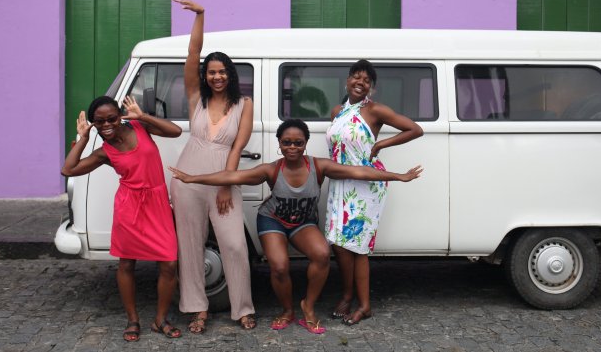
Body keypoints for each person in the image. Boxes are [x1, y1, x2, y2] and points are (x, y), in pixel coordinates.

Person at [169, 119, 423, 334]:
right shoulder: (271, 170)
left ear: (305, 144)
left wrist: (398, 176)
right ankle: (287, 310)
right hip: (273, 220)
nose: (292, 147)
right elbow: (232, 176)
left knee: (322, 253)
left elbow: (358, 172)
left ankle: (307, 306)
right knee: (279, 266)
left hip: (303, 223)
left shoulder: (319, 166)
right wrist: (192, 178)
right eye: (287, 142)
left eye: (298, 143)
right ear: (279, 144)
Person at [61, 96, 183, 341]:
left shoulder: (140, 126)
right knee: (126, 263)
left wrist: (143, 115)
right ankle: (132, 320)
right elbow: (68, 169)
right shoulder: (104, 152)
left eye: (111, 119)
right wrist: (84, 138)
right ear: (94, 124)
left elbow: (176, 131)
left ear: (120, 116)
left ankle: (160, 320)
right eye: (99, 122)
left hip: (157, 203)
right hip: (129, 206)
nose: (106, 124)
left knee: (169, 263)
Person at [169, 0, 256, 332]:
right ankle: (197, 308)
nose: (217, 76)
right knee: (190, 245)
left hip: (223, 178)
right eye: (211, 72)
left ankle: (242, 308)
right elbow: (193, 54)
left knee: (234, 244)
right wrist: (200, 16)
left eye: (222, 72)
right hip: (187, 178)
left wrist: (225, 184)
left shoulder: (244, 103)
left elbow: (237, 146)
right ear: (205, 76)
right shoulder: (197, 99)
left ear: (230, 74)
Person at [326, 59, 424, 325]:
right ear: (347, 81)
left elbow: (415, 129)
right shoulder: (337, 112)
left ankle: (364, 305)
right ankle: (347, 295)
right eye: (356, 77)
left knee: (358, 247)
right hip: (340, 182)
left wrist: (381, 144)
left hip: (366, 185)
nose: (360, 82)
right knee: (339, 244)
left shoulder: (375, 110)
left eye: (366, 80)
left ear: (372, 88)